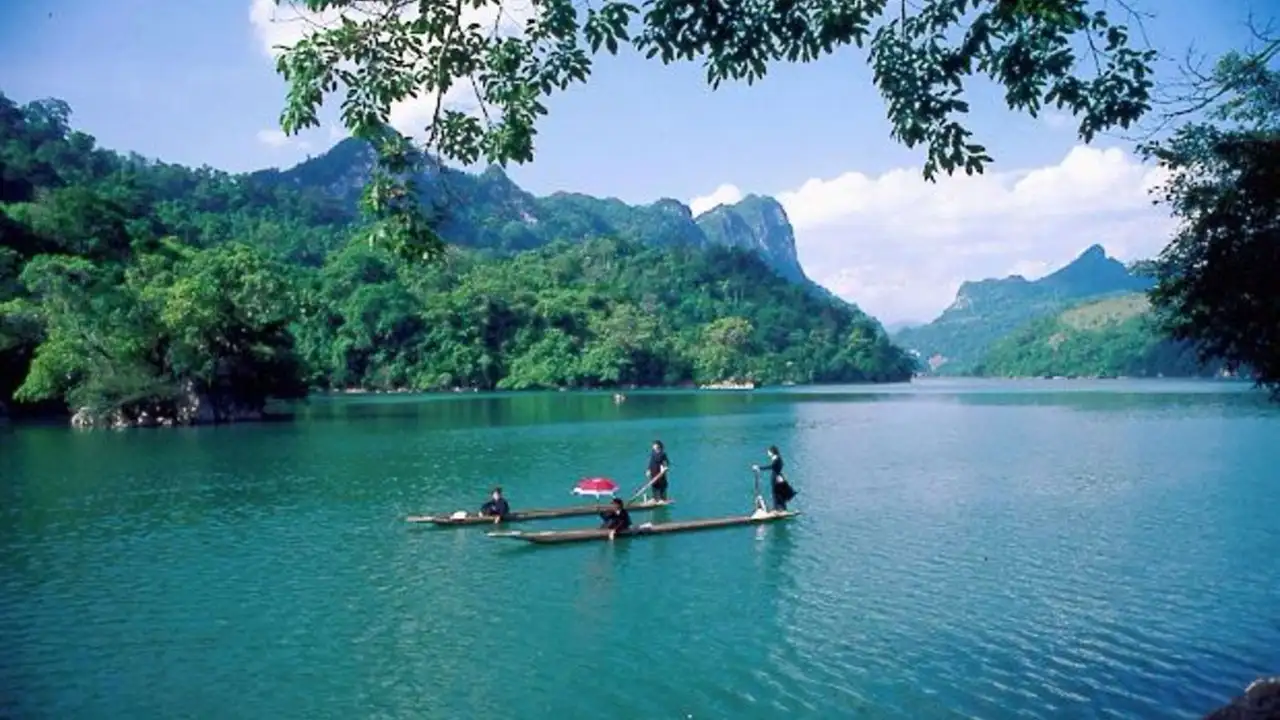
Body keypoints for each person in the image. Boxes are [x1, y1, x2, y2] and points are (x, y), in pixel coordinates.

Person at [754, 446, 797, 512]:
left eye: (769, 452)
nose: (768, 453)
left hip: (776, 478)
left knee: (776, 493)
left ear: (772, 452)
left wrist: (759, 468)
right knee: (778, 493)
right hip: (777, 477)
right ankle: (779, 508)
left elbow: (771, 467)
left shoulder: (777, 459)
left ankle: (778, 509)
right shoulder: (777, 459)